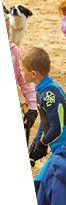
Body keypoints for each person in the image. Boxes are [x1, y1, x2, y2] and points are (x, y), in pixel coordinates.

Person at [21, 46, 66, 190]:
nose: (21, 73)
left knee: (38, 187)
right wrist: (35, 145)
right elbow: (46, 122)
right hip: (61, 149)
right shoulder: (46, 89)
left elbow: (56, 128)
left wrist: (42, 143)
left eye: (23, 70)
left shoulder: (48, 95)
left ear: (33, 74)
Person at [6, 11, 38, 142]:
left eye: (8, 30)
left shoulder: (14, 51)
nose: (8, 34)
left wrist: (32, 106)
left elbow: (23, 79)